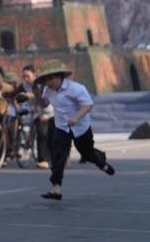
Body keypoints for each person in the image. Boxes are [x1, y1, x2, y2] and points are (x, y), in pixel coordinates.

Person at [33, 60, 115, 201]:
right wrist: (36, 94)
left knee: (87, 153)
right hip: (62, 127)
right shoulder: (48, 90)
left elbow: (88, 105)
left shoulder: (76, 88)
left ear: (60, 76)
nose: (49, 82)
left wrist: (76, 118)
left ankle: (101, 162)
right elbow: (44, 103)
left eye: (51, 78)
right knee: (58, 155)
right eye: (46, 80)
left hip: (80, 127)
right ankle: (56, 189)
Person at [14, 65, 52, 169]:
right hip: (36, 111)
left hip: (49, 110)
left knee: (43, 132)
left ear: (34, 74)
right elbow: (15, 93)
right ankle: (42, 159)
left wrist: (33, 95)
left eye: (28, 76)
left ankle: (45, 159)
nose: (26, 79)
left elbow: (46, 100)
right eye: (24, 77)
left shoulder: (42, 85)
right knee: (39, 130)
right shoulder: (25, 85)